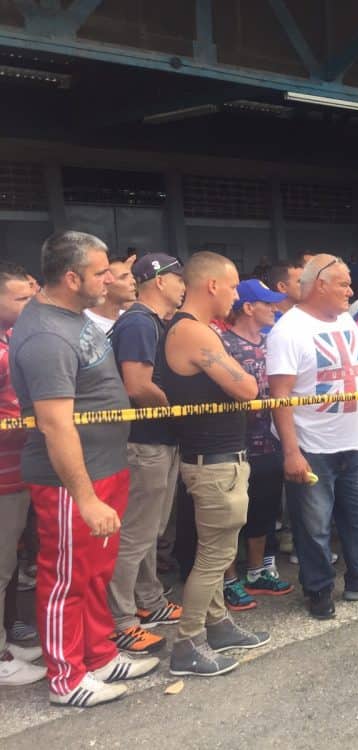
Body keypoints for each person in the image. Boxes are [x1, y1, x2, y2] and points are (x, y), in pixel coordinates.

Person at [11, 231, 157, 707]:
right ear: (72, 278)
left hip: (104, 468)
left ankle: (97, 655)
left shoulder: (75, 316)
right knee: (65, 579)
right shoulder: (47, 336)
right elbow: (56, 426)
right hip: (73, 482)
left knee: (95, 572)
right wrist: (86, 497)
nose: (111, 278)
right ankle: (66, 679)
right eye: (101, 272)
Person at [268, 254, 358, 621]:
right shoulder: (288, 330)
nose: (350, 290)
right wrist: (291, 453)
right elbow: (279, 395)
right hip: (313, 447)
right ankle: (319, 590)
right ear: (320, 285)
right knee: (313, 526)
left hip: (354, 442)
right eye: (343, 283)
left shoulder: (346, 320)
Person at [163, 252, 269, 678]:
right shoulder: (194, 333)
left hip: (218, 459)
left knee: (218, 551)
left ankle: (218, 625)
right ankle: (188, 644)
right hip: (213, 463)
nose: (235, 295)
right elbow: (246, 387)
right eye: (231, 286)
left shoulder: (198, 330)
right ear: (211, 286)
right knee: (214, 557)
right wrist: (243, 376)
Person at [106, 253, 187, 656]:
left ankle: (150, 600)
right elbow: (137, 386)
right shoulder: (139, 322)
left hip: (158, 440)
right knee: (135, 532)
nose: (183, 284)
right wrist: (180, 405)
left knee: (150, 530)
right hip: (143, 441)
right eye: (178, 278)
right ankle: (121, 619)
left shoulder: (153, 322)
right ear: (158, 281)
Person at [220, 279, 294, 612]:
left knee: (264, 512)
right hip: (235, 444)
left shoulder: (272, 342)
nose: (274, 308)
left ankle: (256, 571)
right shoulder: (223, 343)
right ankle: (228, 579)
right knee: (229, 517)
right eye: (267, 303)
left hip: (271, 441)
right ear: (248, 308)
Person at [0, 262, 45, 687]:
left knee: (10, 564)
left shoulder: (13, 338)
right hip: (2, 479)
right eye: (20, 298)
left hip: (18, 474)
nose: (29, 304)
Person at [85, 255, 137, 333]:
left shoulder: (132, 320)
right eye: (123, 277)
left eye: (131, 276)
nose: (133, 282)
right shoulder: (84, 323)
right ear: (104, 282)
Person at [266, 259, 304, 327]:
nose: (307, 285)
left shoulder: (307, 314)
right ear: (282, 287)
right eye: (300, 282)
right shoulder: (267, 322)